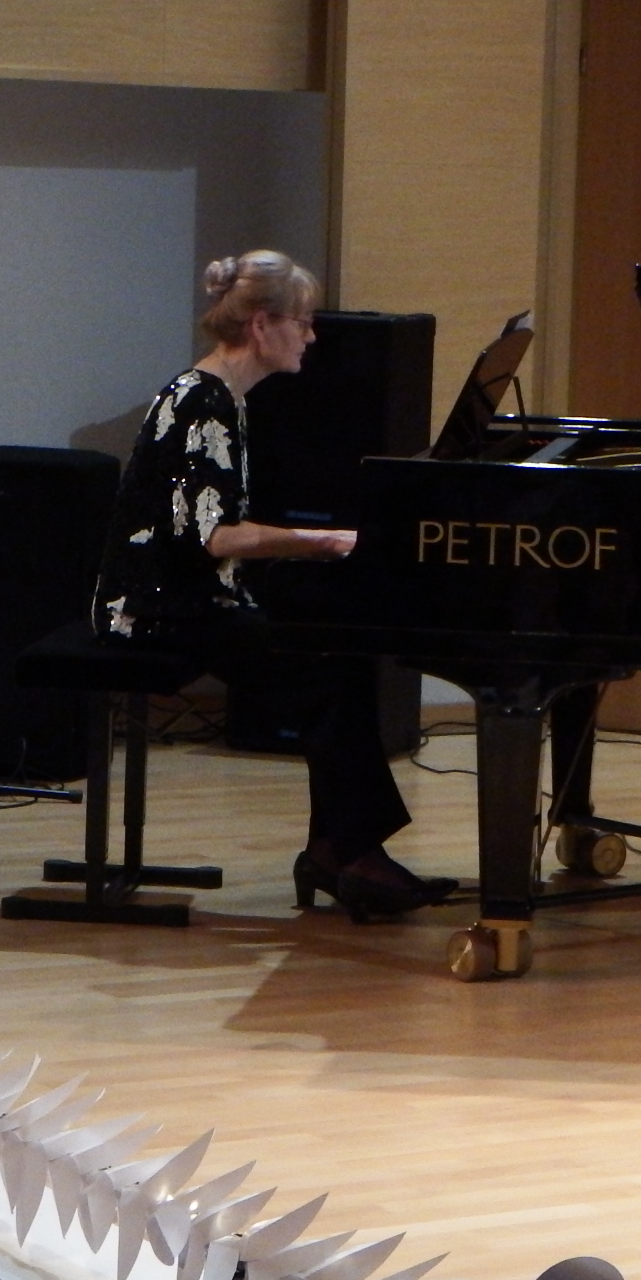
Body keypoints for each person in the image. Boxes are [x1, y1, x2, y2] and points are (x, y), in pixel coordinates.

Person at [93, 250, 453, 921]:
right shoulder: (204, 401)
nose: (311, 336)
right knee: (325, 670)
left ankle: (339, 850)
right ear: (262, 325)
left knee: (337, 652)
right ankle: (347, 855)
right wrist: (325, 541)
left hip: (195, 599)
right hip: (161, 610)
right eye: (304, 321)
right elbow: (216, 538)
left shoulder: (219, 395)